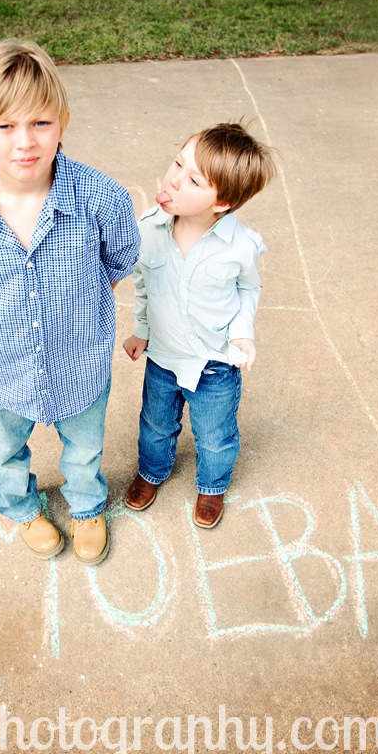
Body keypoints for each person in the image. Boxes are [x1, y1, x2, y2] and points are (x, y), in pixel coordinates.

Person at [0, 40, 140, 564]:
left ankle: (87, 505)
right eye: (4, 126)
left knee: (85, 448)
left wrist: (83, 298)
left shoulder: (101, 198)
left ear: (63, 123)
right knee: (5, 449)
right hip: (0, 359)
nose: (24, 141)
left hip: (78, 357)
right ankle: (21, 505)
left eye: (40, 123)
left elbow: (118, 259)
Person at [123, 122, 277, 528]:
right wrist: (142, 329)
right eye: (178, 163)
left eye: (192, 179)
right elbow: (142, 284)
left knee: (215, 435)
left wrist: (243, 331)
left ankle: (212, 485)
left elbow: (249, 289)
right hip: (163, 357)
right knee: (155, 424)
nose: (174, 178)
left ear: (222, 201)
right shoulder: (149, 229)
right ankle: (152, 472)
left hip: (214, 365)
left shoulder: (240, 246)